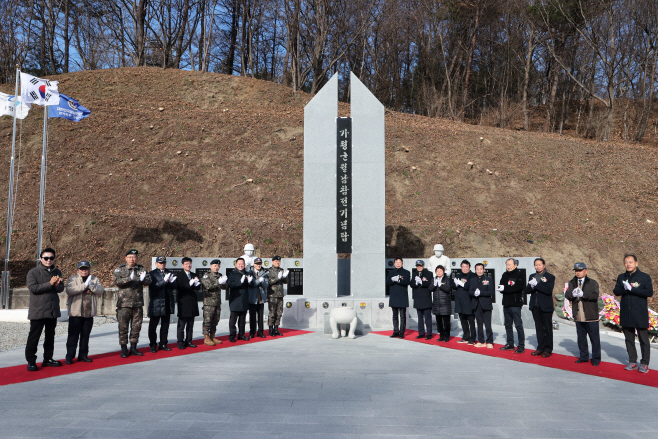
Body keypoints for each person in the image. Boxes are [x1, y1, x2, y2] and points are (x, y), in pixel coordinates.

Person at [25, 248, 65, 371]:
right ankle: (31, 361)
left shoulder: (57, 271)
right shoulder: (33, 272)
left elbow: (60, 289)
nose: (48, 260)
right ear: (41, 259)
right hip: (38, 310)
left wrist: (58, 284)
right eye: (46, 258)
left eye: (51, 258)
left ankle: (48, 358)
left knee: (50, 336)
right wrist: (50, 284)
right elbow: (33, 288)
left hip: (52, 310)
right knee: (34, 336)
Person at [613, 254, 654, 373]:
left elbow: (649, 292)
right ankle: (632, 360)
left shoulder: (644, 277)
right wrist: (625, 289)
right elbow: (616, 291)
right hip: (626, 312)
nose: (628, 264)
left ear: (636, 263)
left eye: (630, 262)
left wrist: (632, 289)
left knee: (643, 339)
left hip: (639, 312)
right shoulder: (621, 277)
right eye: (626, 262)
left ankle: (645, 363)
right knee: (628, 338)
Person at [113, 249, 151, 358]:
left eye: (134, 257)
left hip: (137, 303)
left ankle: (133, 347)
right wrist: (129, 278)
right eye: (129, 257)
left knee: (136, 327)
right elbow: (117, 282)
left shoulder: (141, 269)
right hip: (124, 304)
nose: (132, 259)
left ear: (137, 258)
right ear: (126, 258)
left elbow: (149, 282)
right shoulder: (120, 269)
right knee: (123, 327)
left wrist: (143, 280)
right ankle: (124, 348)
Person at [65, 261, 105, 363]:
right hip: (76, 313)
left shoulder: (95, 280)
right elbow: (69, 290)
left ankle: (83, 355)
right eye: (82, 269)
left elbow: (100, 291)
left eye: (86, 269)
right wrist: (84, 286)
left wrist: (91, 286)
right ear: (78, 270)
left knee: (85, 336)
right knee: (73, 336)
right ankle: (70, 356)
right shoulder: (72, 279)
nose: (84, 271)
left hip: (88, 313)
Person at [565, 262, 601, 366]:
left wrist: (583, 294)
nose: (578, 273)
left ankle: (596, 358)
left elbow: (595, 295)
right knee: (581, 338)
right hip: (578, 314)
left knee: (594, 338)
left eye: (580, 270)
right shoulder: (572, 282)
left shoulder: (592, 282)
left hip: (590, 315)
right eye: (576, 271)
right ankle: (583, 356)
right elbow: (567, 295)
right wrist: (572, 294)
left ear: (586, 271)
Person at [524, 258, 556, 357]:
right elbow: (527, 290)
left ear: (544, 265)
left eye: (539, 264)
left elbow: (548, 290)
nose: (538, 266)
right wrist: (532, 286)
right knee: (539, 328)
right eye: (536, 265)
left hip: (546, 306)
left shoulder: (550, 277)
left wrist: (537, 285)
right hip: (535, 305)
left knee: (547, 328)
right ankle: (540, 347)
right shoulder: (532, 276)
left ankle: (548, 348)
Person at [147, 256, 177, 352]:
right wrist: (163, 282)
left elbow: (174, 287)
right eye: (160, 263)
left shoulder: (169, 272)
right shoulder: (152, 274)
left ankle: (163, 343)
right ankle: (152, 344)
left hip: (167, 302)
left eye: (163, 263)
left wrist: (172, 282)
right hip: (156, 303)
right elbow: (153, 287)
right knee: (153, 326)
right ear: (156, 264)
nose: (162, 264)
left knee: (165, 326)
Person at [498, 258, 526, 353]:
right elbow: (501, 285)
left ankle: (521, 345)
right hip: (506, 303)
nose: (508, 266)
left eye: (510, 264)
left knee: (518, 325)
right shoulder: (505, 274)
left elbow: (518, 287)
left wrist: (505, 288)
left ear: (515, 265)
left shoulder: (520, 274)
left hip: (515, 304)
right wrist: (501, 289)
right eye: (507, 264)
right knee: (508, 325)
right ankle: (510, 343)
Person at [174, 257, 201, 349]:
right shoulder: (179, 275)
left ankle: (189, 341)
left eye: (189, 263)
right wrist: (189, 284)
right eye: (186, 264)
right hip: (183, 302)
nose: (188, 265)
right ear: (182, 265)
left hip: (192, 301)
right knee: (181, 325)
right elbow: (179, 287)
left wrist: (197, 284)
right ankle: (180, 342)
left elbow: (197, 288)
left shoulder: (193, 274)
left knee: (190, 324)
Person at [200, 259, 227, 346]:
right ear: (211, 266)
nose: (216, 267)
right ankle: (206, 337)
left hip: (217, 302)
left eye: (218, 266)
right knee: (207, 321)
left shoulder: (219, 275)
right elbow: (208, 286)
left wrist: (224, 282)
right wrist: (218, 282)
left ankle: (212, 336)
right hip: (209, 302)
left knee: (215, 320)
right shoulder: (206, 275)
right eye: (214, 266)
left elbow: (225, 287)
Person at [227, 258, 255, 342]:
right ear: (236, 264)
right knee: (233, 320)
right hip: (235, 299)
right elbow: (230, 284)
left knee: (242, 320)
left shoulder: (247, 273)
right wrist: (240, 282)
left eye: (242, 264)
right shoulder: (232, 273)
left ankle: (241, 334)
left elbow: (251, 286)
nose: (241, 265)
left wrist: (250, 282)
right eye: (239, 263)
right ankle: (232, 335)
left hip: (244, 299)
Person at [470, 263, 494, 348]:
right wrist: (474, 293)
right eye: (477, 269)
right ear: (475, 270)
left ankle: (490, 341)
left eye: (481, 269)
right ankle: (481, 340)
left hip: (486, 305)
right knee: (479, 324)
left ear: (484, 270)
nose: (479, 271)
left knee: (487, 325)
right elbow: (470, 291)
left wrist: (481, 293)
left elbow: (491, 292)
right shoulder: (473, 280)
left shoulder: (489, 279)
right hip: (476, 305)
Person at [453, 260, 477, 344]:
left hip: (469, 301)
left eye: (466, 267)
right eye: (463, 267)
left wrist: (463, 284)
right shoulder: (458, 275)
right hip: (460, 301)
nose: (465, 268)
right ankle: (465, 336)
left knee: (471, 320)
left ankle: (472, 338)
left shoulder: (473, 276)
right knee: (463, 320)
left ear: (469, 267)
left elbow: (472, 286)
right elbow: (454, 287)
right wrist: (456, 284)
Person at [386, 257, 410, 338]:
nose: (398, 264)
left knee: (403, 316)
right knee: (395, 315)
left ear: (402, 263)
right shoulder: (391, 272)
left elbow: (407, 282)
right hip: (394, 296)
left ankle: (402, 332)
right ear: (394, 263)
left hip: (402, 297)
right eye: (396, 262)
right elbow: (387, 282)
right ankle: (395, 331)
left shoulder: (406, 272)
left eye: (399, 262)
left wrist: (399, 280)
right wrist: (393, 280)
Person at [410, 260, 433, 339]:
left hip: (426, 299)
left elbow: (430, 283)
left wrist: (422, 283)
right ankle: (421, 333)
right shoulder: (414, 274)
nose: (419, 267)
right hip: (418, 299)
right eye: (418, 266)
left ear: (423, 266)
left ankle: (429, 334)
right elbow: (411, 284)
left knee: (427, 319)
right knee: (420, 318)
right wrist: (416, 283)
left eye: (420, 265)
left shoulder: (429, 274)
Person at [267, 255, 289, 336]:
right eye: (276, 261)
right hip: (272, 295)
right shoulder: (269, 271)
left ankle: (276, 329)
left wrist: (284, 277)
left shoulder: (281, 270)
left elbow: (286, 282)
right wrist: (277, 278)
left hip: (280, 295)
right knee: (272, 313)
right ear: (272, 262)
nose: (277, 262)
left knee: (279, 313)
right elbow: (269, 282)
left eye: (279, 261)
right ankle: (270, 329)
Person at [430, 265, 452, 342]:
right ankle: (441, 335)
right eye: (437, 271)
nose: (438, 272)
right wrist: (434, 285)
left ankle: (447, 336)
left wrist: (441, 285)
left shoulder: (447, 279)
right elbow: (430, 288)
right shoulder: (434, 279)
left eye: (440, 271)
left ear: (443, 272)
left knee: (446, 322)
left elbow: (448, 289)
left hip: (445, 304)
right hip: (436, 303)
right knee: (439, 322)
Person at [248, 258, 269, 338]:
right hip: (253, 298)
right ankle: (252, 332)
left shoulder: (264, 273)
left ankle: (260, 331)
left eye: (260, 263)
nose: (258, 265)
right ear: (254, 264)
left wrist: (263, 282)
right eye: (257, 264)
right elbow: (252, 284)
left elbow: (266, 285)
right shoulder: (250, 273)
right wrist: (258, 281)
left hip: (260, 297)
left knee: (260, 316)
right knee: (252, 316)